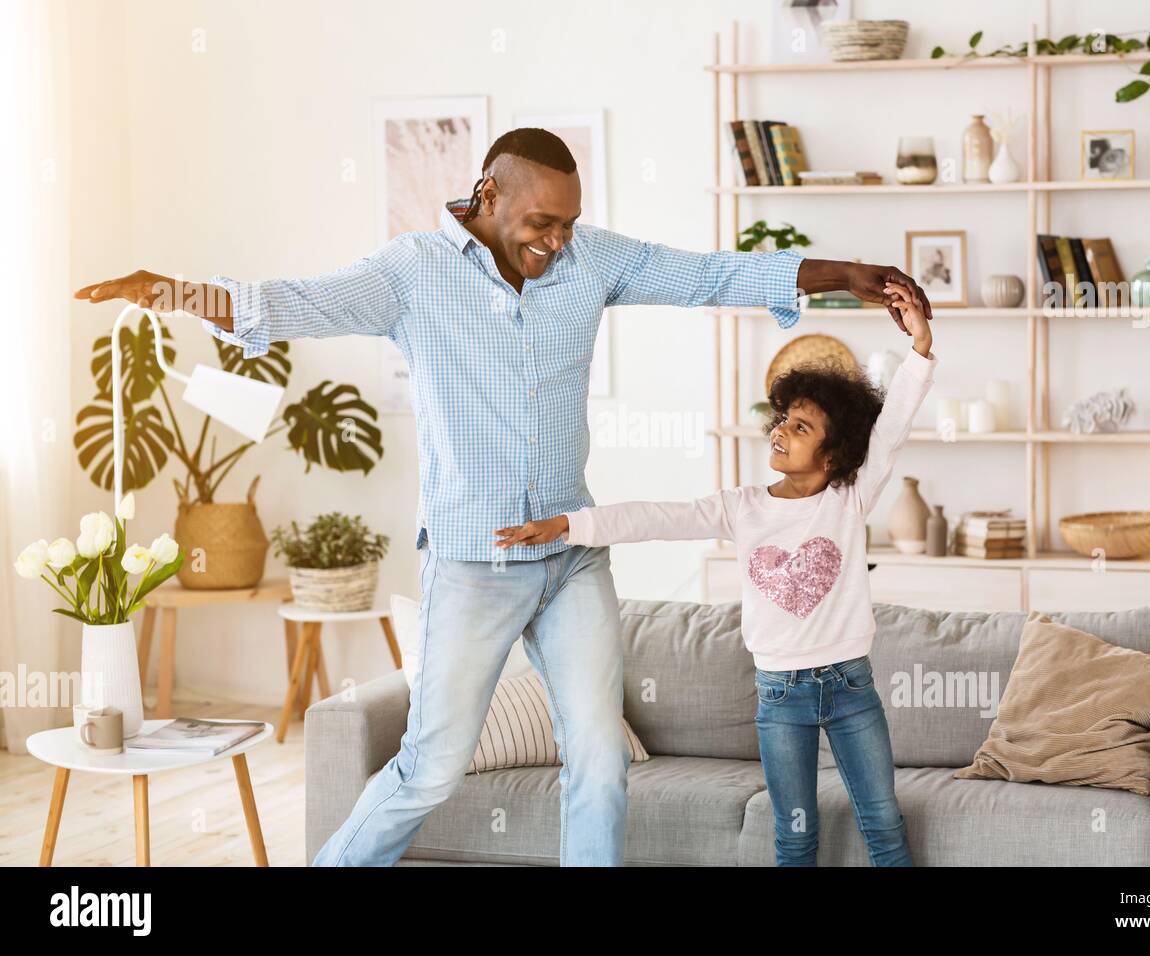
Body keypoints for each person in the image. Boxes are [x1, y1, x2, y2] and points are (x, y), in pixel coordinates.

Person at [74, 126, 933, 867]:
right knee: (432, 768)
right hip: (472, 562)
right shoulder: (411, 272)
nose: (557, 240)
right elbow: (294, 304)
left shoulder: (591, 260)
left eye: (567, 223)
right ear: (488, 193)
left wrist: (847, 273)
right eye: (540, 221)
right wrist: (170, 292)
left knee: (600, 758)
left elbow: (708, 275)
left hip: (568, 557)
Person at [495, 282, 934, 866]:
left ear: (833, 456)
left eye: (800, 428)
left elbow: (895, 421)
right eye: (782, 420)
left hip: (851, 688)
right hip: (780, 697)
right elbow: (654, 517)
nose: (780, 430)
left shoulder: (848, 496)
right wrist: (567, 525)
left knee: (883, 826)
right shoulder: (742, 507)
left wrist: (922, 347)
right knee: (796, 836)